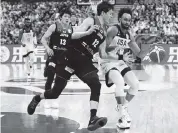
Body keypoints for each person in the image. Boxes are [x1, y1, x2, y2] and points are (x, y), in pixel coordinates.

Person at [27, 3, 108, 131]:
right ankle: (37, 98)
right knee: (54, 93)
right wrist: (87, 32)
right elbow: (73, 34)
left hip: (83, 60)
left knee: (96, 84)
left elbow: (102, 52)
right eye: (110, 13)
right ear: (104, 12)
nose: (112, 16)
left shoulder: (105, 32)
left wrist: (113, 60)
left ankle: (93, 118)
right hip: (71, 55)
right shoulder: (91, 20)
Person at [99, 8, 154, 129]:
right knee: (119, 81)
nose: (127, 22)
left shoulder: (129, 34)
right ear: (119, 19)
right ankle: (122, 116)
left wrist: (147, 49)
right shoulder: (113, 29)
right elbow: (105, 49)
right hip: (108, 61)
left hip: (119, 61)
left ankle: (122, 107)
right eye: (125, 19)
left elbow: (138, 54)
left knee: (135, 84)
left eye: (129, 20)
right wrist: (120, 54)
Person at [18, 18, 37, 82]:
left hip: (30, 46)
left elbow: (34, 37)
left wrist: (35, 43)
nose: (28, 23)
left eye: (29, 22)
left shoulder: (33, 30)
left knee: (32, 58)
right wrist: (22, 44)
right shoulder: (21, 31)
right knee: (26, 61)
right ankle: (28, 73)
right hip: (24, 46)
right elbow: (18, 40)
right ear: (24, 23)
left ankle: (31, 66)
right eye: (27, 22)